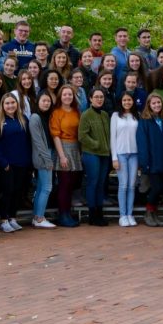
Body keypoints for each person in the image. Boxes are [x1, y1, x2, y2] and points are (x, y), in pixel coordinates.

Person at [0, 93, 32, 234]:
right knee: (7, 191)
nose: (10, 105)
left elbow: (28, 142)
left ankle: (12, 217)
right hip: (7, 164)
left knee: (18, 192)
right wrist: (2, 162)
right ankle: (4, 219)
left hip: (22, 163)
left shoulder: (23, 119)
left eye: (13, 102)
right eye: (7, 103)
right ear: (2, 105)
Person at [78, 87, 112, 227]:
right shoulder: (86, 114)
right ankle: (92, 214)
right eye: (96, 97)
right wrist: (96, 144)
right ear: (91, 99)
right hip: (91, 153)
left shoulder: (104, 114)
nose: (99, 99)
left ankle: (100, 212)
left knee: (101, 183)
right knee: (93, 182)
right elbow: (82, 136)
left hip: (105, 154)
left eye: (101, 97)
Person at [50, 84, 82, 228]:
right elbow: (55, 136)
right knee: (64, 183)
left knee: (71, 184)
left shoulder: (76, 111)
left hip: (75, 148)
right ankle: (62, 215)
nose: (67, 97)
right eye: (65, 94)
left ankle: (68, 213)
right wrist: (62, 156)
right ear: (60, 97)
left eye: (70, 94)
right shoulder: (56, 113)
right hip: (63, 147)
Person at [137, 93, 163, 227]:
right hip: (152, 162)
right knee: (156, 187)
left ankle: (154, 214)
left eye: (158, 102)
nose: (157, 105)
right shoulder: (144, 121)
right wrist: (145, 163)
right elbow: (142, 143)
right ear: (149, 105)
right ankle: (149, 213)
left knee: (160, 189)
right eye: (154, 103)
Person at [111, 92, 140, 227]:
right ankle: (122, 215)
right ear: (121, 101)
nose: (127, 102)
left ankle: (130, 214)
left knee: (131, 185)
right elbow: (112, 138)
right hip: (121, 154)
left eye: (129, 100)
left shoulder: (136, 116)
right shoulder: (116, 116)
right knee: (123, 185)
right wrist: (114, 157)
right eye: (124, 100)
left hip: (134, 154)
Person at [29, 92, 56, 228]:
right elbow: (38, 142)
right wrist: (48, 160)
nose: (46, 103)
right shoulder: (35, 117)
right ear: (38, 102)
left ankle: (37, 216)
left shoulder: (47, 117)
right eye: (43, 101)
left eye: (48, 101)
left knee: (41, 187)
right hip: (42, 156)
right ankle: (39, 218)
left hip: (48, 154)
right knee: (46, 187)